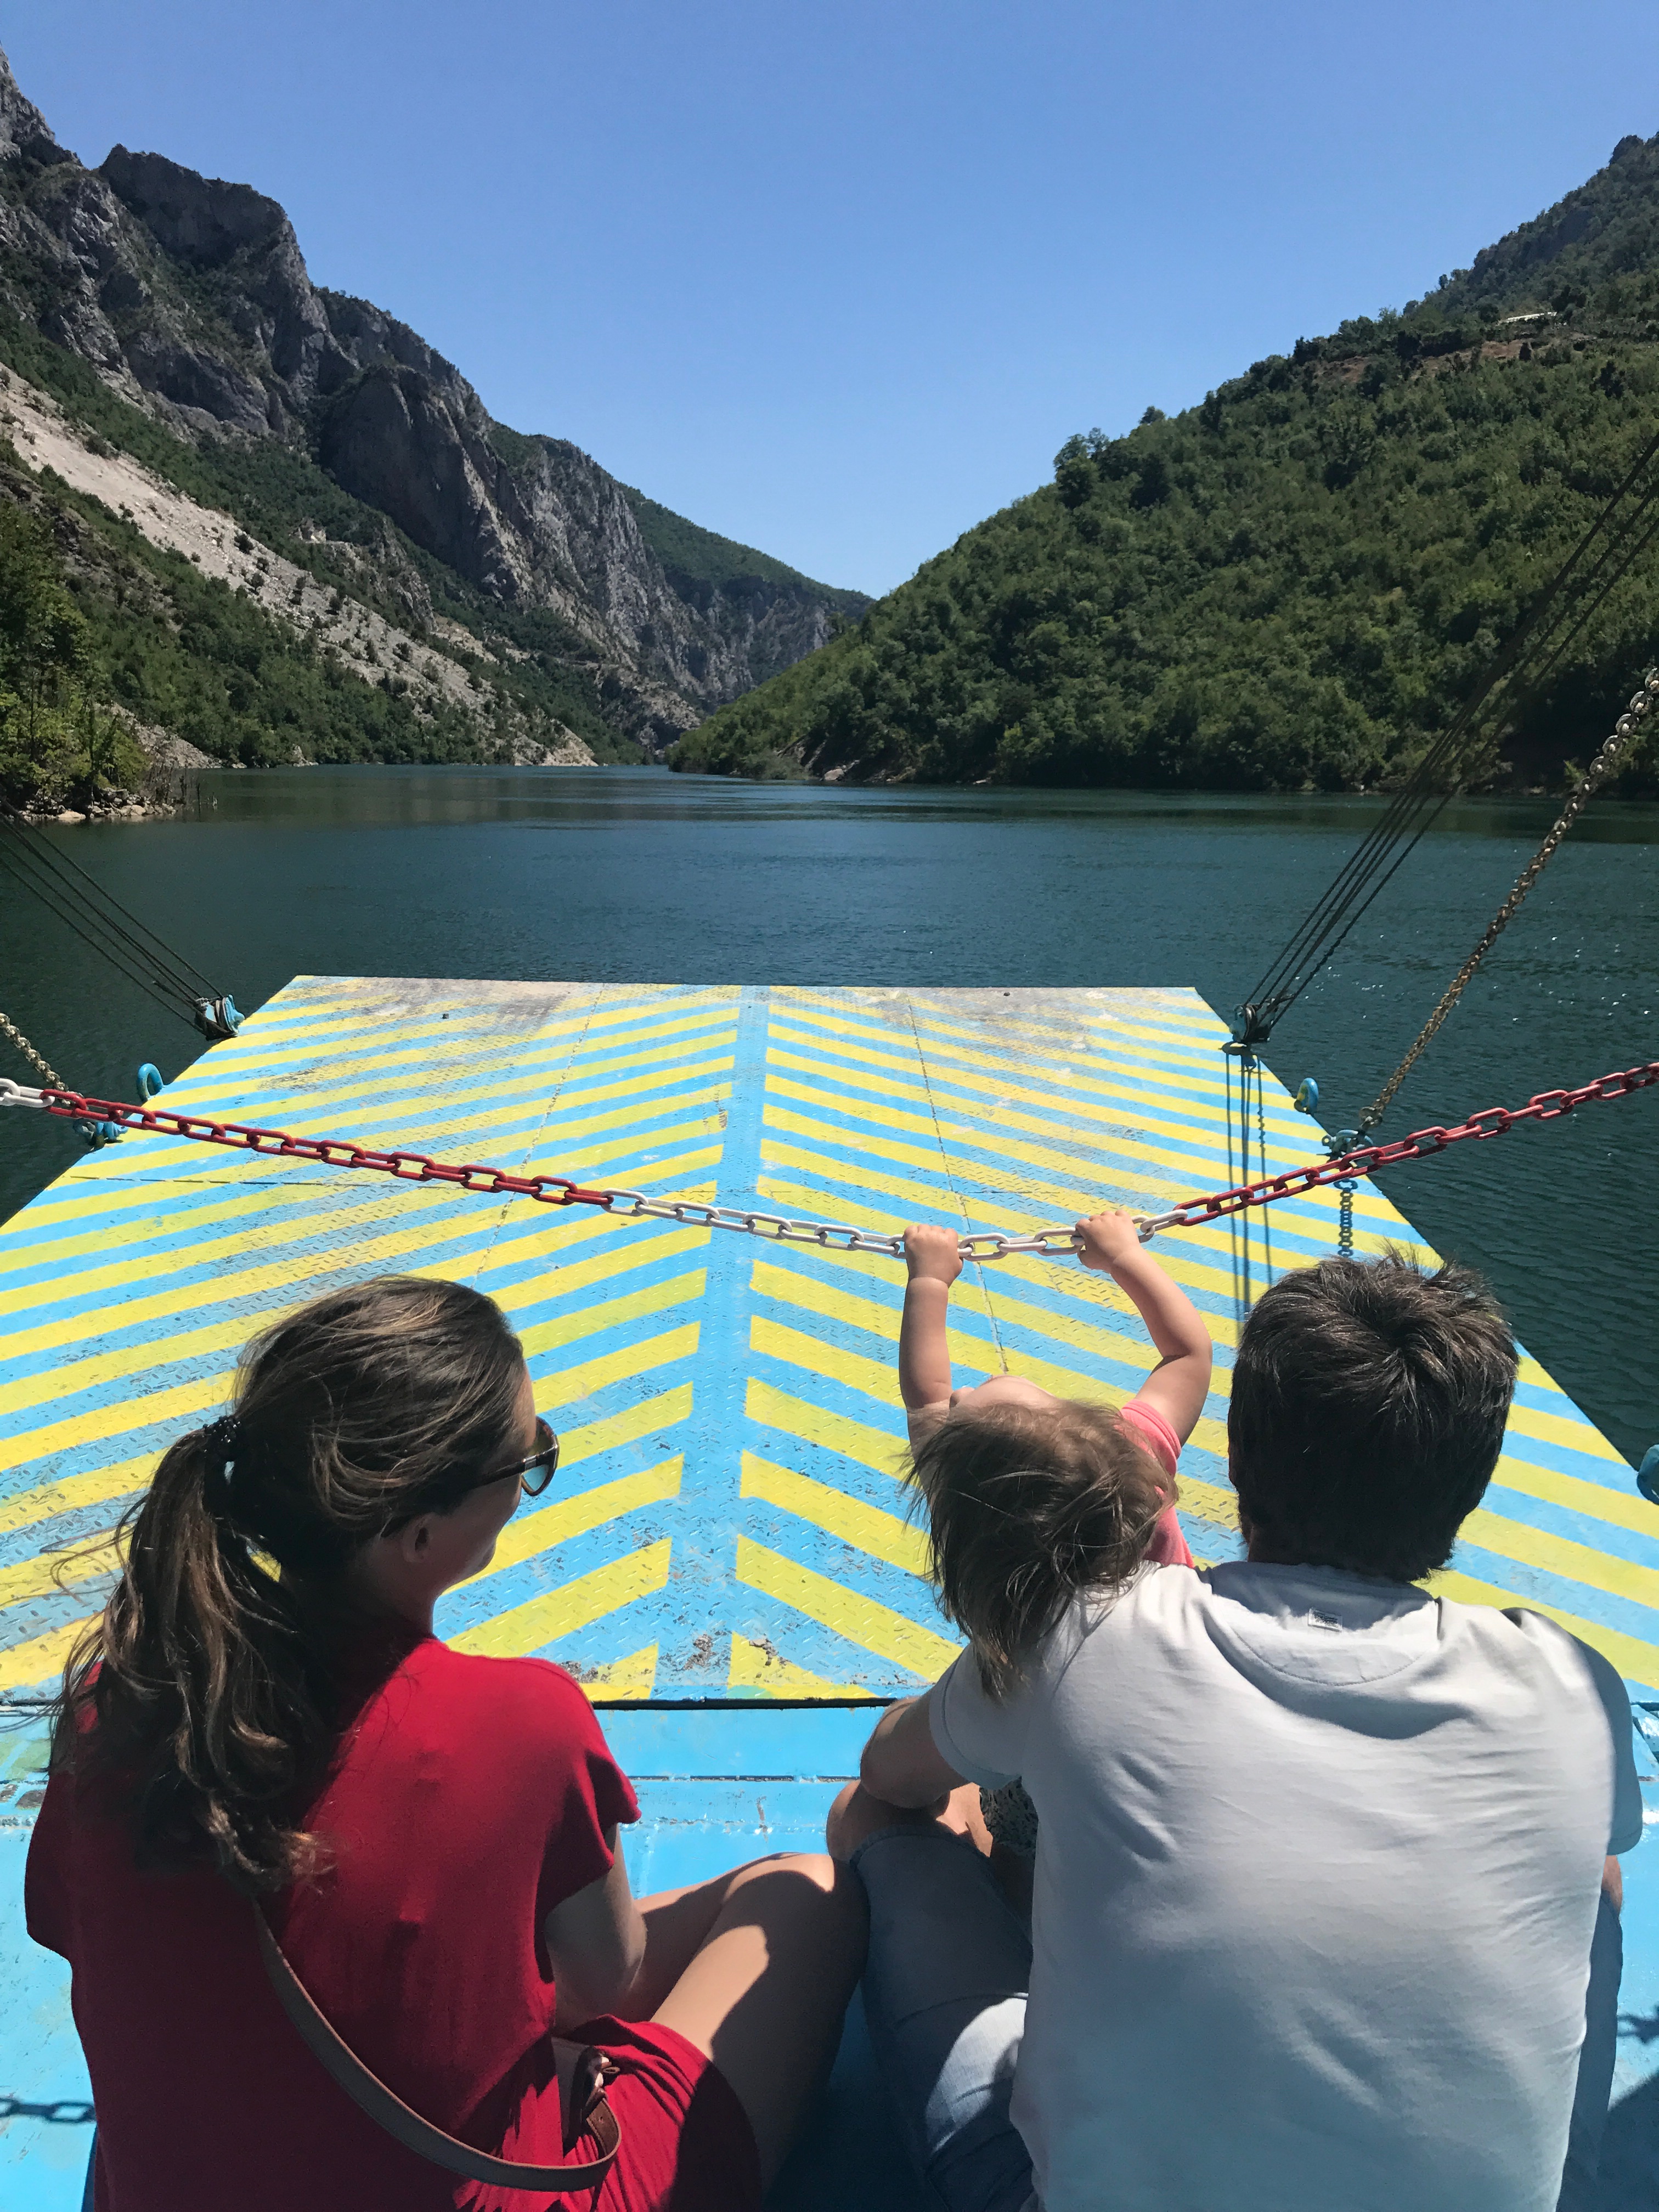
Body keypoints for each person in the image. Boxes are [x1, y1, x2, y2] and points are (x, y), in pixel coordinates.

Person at [27, 1275, 866, 2212]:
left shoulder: (113, 1709)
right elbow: (602, 1980)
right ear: (418, 1532)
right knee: (801, 1893)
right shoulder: (519, 1722)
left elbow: (76, 1929)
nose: (526, 1480)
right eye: (525, 1462)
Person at [830, 1249, 1641, 2212]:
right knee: (1591, 1871)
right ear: (1464, 1487)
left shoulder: (1086, 1631)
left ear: (1237, 1459)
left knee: (876, 1816)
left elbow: (889, 1771)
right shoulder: (1567, 1680)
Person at [896, 1211, 1213, 1895]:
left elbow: (923, 1392)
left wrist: (928, 1280)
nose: (956, 1392)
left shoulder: (975, 1505)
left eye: (965, 1401)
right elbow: (1188, 1355)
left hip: (1044, 1773)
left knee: (1015, 1850)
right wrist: (1124, 1256)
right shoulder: (1136, 1455)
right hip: (1170, 1757)